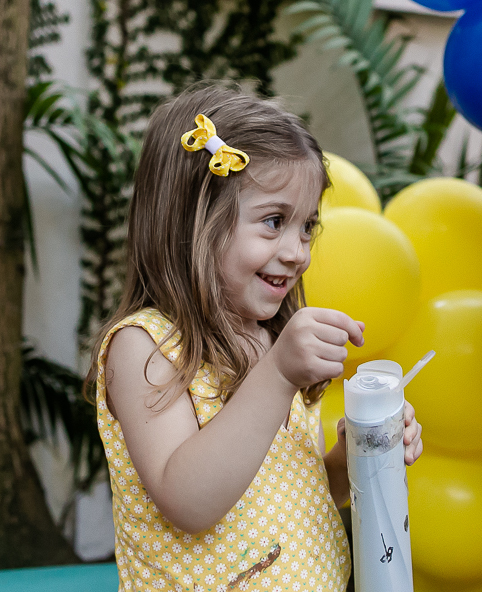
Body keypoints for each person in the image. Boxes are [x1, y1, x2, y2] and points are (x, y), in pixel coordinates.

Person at [84, 83, 424, 592]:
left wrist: (354, 456)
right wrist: (279, 374)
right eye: (273, 221)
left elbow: (288, 495)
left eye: (307, 227)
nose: (297, 251)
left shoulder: (268, 340)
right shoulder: (147, 347)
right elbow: (190, 501)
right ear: (194, 220)